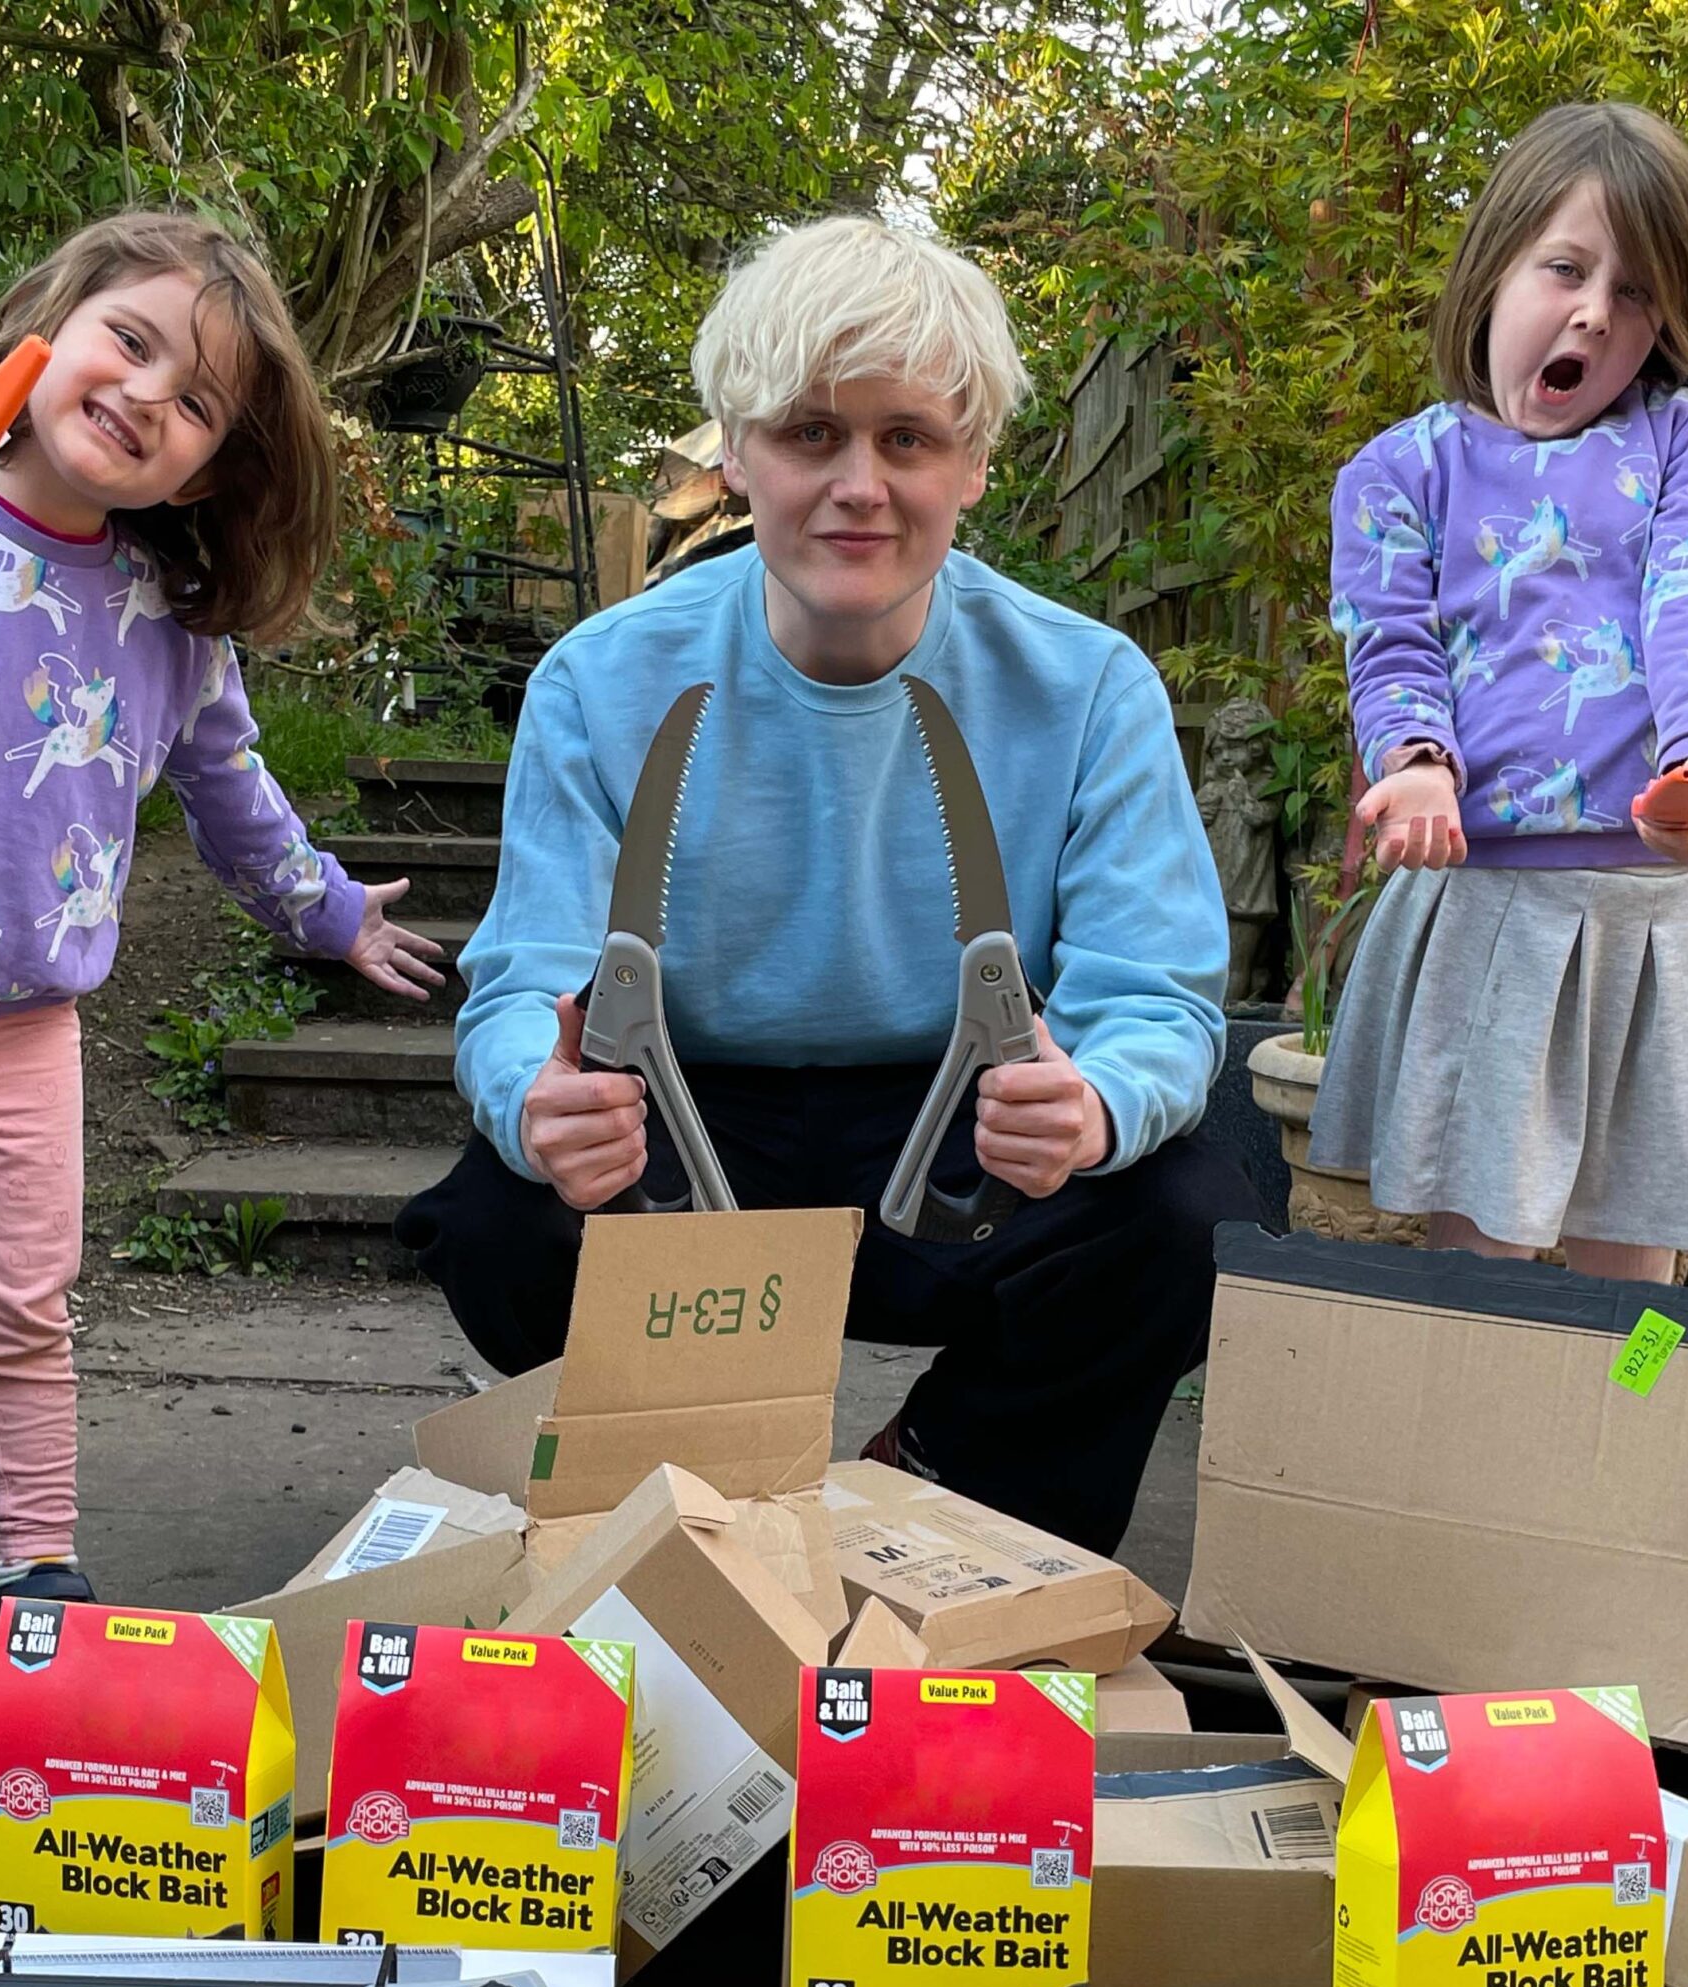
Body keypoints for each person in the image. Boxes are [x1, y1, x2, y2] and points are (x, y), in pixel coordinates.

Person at [396, 217, 1256, 1556]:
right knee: (501, 1217)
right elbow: (522, 984)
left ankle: (956, 1485)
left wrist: (1092, 1100)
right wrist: (537, 1103)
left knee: (1180, 1216)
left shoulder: (1086, 686)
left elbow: (1159, 1003)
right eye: (809, 435)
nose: (859, 483)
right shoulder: (597, 678)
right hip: (689, 1124)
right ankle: (696, 1511)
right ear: (735, 455)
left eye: (905, 438)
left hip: (959, 1131)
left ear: (971, 463)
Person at [0, 209, 443, 1711]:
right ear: (54, 320)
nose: (144, 398)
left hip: (24, 1033)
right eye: (131, 341)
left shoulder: (168, 615)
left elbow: (229, 789)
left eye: (195, 405)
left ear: (211, 467)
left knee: (22, 1313)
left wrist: (326, 911)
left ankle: (36, 1576)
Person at [1311, 101, 1688, 1272]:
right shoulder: (1398, 474)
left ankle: (1632, 1428)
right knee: (1482, 1261)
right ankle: (1481, 1447)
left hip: (1650, 926)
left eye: (1635, 294)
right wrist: (1414, 768)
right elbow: (1393, 648)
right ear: (1494, 266)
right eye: (1565, 267)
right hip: (1489, 920)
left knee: (1646, 1272)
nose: (1593, 311)